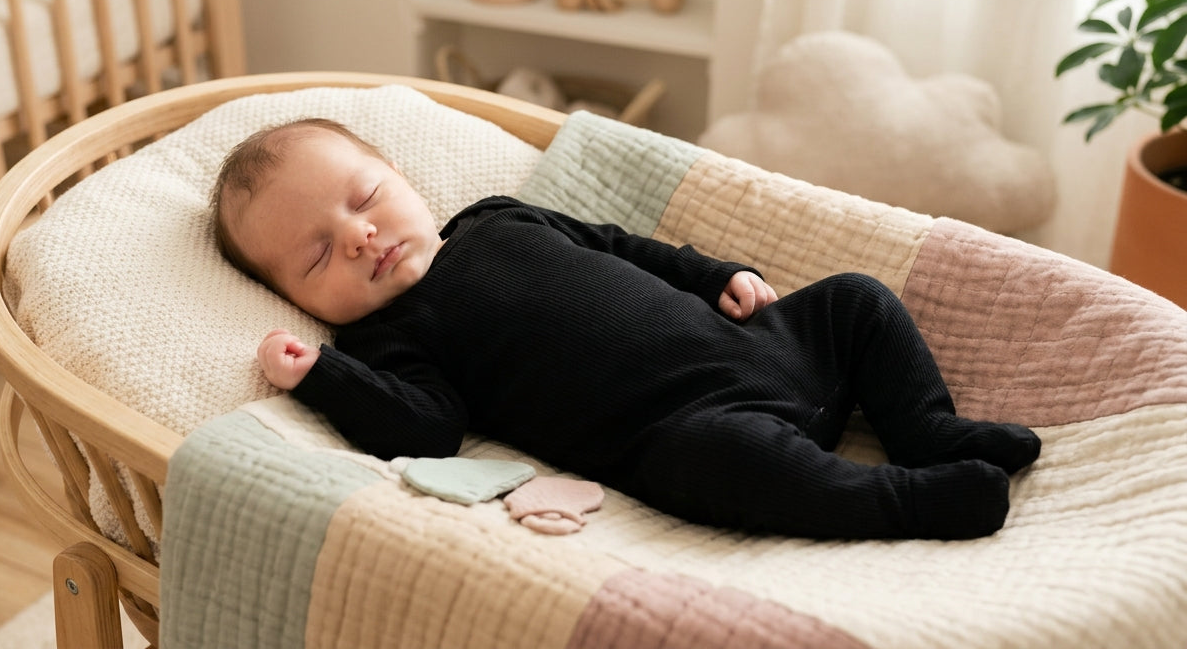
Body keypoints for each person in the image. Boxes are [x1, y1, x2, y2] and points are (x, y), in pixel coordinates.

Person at [210, 117, 1041, 540]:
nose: (358, 236)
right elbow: (428, 426)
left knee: (858, 299)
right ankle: (902, 501)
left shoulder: (496, 218)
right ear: (302, 301)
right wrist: (321, 375)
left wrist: (714, 274)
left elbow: (618, 246)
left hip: (765, 348)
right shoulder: (387, 341)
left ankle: (925, 428)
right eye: (318, 257)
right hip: (690, 429)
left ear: (402, 178)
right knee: (728, 468)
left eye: (363, 200)